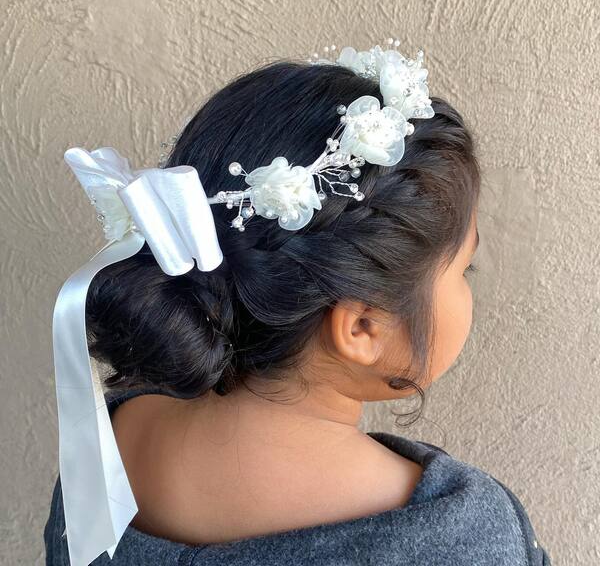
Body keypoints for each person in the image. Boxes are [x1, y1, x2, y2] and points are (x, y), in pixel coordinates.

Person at [45, 44, 551, 565]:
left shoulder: (109, 439)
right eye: (463, 268)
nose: (471, 286)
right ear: (361, 325)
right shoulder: (463, 535)